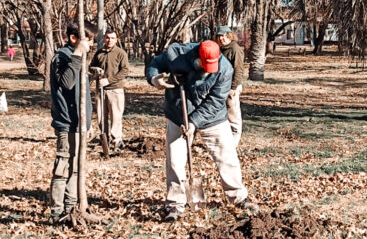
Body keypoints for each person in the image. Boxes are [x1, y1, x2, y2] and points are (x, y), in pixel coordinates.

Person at [146, 40, 258, 222]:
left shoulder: (225, 69)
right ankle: (175, 203)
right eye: (205, 65)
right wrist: (154, 79)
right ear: (196, 56)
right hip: (178, 113)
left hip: (213, 118)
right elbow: (156, 64)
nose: (208, 70)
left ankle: (238, 197)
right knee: (175, 160)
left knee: (227, 156)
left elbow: (215, 102)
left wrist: (193, 122)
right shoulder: (176, 54)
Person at [49, 21, 97, 224]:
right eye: (89, 40)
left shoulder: (80, 57)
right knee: (63, 167)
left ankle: (72, 208)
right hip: (66, 123)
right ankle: (57, 213)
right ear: (73, 39)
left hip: (80, 123)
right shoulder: (62, 56)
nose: (92, 45)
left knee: (75, 167)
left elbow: (82, 94)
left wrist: (88, 123)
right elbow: (67, 83)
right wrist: (77, 53)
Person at [90, 28, 130, 152]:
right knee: (101, 116)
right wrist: (95, 70)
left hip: (115, 90)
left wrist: (109, 80)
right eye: (107, 37)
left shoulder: (120, 53)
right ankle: (104, 140)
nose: (109, 40)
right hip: (100, 89)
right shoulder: (99, 53)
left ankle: (117, 141)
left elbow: (125, 70)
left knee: (116, 117)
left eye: (112, 38)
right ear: (104, 39)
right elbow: (91, 67)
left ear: (116, 39)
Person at [214, 25, 245, 146]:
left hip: (231, 87)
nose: (222, 38)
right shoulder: (220, 49)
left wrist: (233, 88)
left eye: (224, 36)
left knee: (233, 115)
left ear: (229, 35)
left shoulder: (235, 49)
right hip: (220, 86)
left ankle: (233, 143)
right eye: (219, 36)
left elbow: (238, 70)